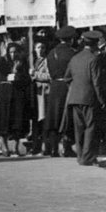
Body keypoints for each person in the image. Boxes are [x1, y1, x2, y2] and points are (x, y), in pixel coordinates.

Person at [65, 30, 105, 165]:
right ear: (95, 44)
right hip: (89, 98)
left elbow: (67, 77)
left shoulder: (75, 58)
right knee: (91, 127)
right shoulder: (94, 59)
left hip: (75, 97)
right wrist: (101, 100)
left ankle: (81, 155)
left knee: (79, 128)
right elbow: (97, 82)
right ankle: (88, 157)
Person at [40, 27, 76, 157]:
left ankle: (52, 147)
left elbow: (49, 71)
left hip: (54, 86)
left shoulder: (51, 53)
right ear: (71, 39)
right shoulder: (73, 53)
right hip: (67, 86)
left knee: (53, 117)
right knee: (66, 116)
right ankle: (66, 146)